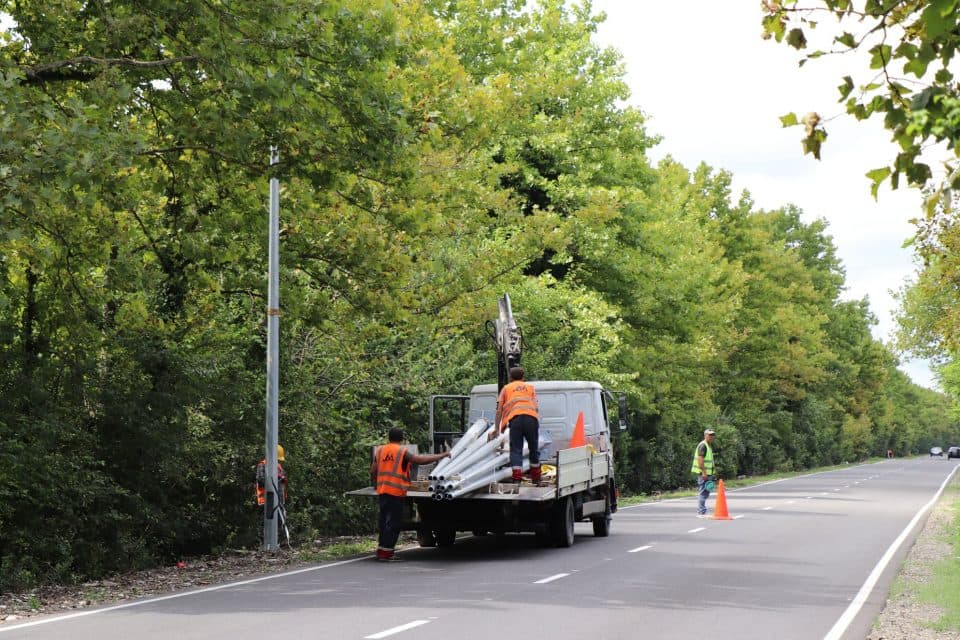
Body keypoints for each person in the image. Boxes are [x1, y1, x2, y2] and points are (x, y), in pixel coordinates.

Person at [371, 428, 450, 562]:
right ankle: (387, 553)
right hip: (396, 492)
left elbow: (373, 470)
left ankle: (381, 550)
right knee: (393, 523)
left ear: (389, 438)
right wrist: (442, 455)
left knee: (383, 522)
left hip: (383, 491)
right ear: (402, 439)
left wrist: (377, 484)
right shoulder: (402, 451)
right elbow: (419, 460)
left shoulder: (380, 450)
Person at [495, 366, 541, 484]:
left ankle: (517, 479)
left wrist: (497, 429)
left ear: (510, 377)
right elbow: (536, 406)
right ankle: (536, 478)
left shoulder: (506, 388)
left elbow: (499, 410)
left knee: (516, 449)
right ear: (523, 377)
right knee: (533, 448)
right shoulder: (530, 388)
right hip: (531, 419)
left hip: (516, 420)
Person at [691, 429, 716, 517]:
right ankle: (701, 511)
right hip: (704, 474)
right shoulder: (703, 445)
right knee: (703, 492)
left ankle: (702, 510)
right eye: (710, 435)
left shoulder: (708, 446)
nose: (712, 437)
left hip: (708, 474)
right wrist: (704, 473)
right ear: (705, 436)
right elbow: (700, 460)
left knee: (706, 492)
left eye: (713, 435)